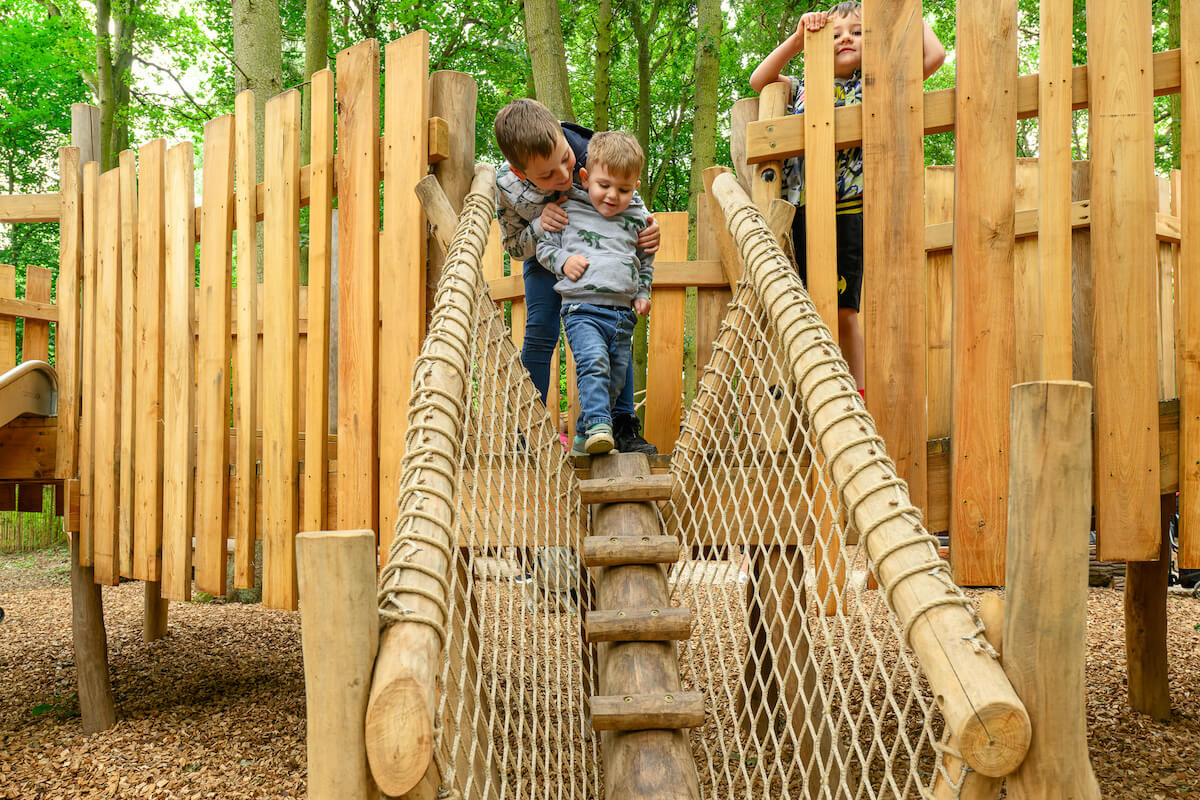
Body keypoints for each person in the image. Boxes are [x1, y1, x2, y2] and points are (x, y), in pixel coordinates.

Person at [750, 2, 946, 393]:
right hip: (799, 210)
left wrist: (905, 14)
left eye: (858, 32)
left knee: (843, 308)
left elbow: (934, 56)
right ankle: (797, 379)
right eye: (836, 32)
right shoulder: (801, 87)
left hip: (847, 209)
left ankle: (854, 389)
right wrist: (798, 38)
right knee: (797, 302)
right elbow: (760, 80)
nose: (846, 39)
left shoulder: (876, 82)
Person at [494, 99, 659, 454]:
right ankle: (530, 429)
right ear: (521, 173)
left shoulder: (587, 151)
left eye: (566, 161)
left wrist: (650, 227)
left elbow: (626, 194)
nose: (565, 177)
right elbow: (513, 247)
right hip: (547, 254)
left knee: (614, 329)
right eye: (548, 175)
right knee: (541, 330)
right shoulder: (506, 188)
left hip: (599, 255)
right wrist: (539, 225)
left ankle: (622, 423)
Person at [535, 131, 654, 456]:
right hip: (582, 309)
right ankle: (601, 427)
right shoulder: (568, 207)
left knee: (615, 380)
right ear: (585, 178)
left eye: (624, 189)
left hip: (623, 315)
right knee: (593, 363)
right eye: (605, 186)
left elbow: (644, 259)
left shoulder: (637, 218)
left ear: (635, 188)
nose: (613, 196)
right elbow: (544, 246)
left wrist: (643, 290)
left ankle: (583, 440)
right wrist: (564, 260)